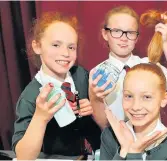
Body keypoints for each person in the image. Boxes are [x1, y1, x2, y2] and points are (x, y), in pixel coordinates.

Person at [12, 12, 101, 160]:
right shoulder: (30, 96)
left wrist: (94, 106)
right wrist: (40, 118)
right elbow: (23, 156)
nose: (65, 53)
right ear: (37, 46)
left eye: (71, 47)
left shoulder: (81, 75)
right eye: (56, 45)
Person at [89, 6, 167, 128]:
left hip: (152, 141)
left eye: (130, 33)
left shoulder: (149, 65)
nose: (124, 38)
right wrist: (95, 99)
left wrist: (165, 43)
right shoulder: (98, 73)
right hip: (117, 142)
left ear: (137, 37)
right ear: (105, 34)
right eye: (116, 31)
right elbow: (102, 123)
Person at [99, 63, 167, 160]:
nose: (136, 107)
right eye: (129, 96)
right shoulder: (110, 136)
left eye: (146, 97)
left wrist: (134, 153)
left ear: (163, 99)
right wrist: (124, 150)